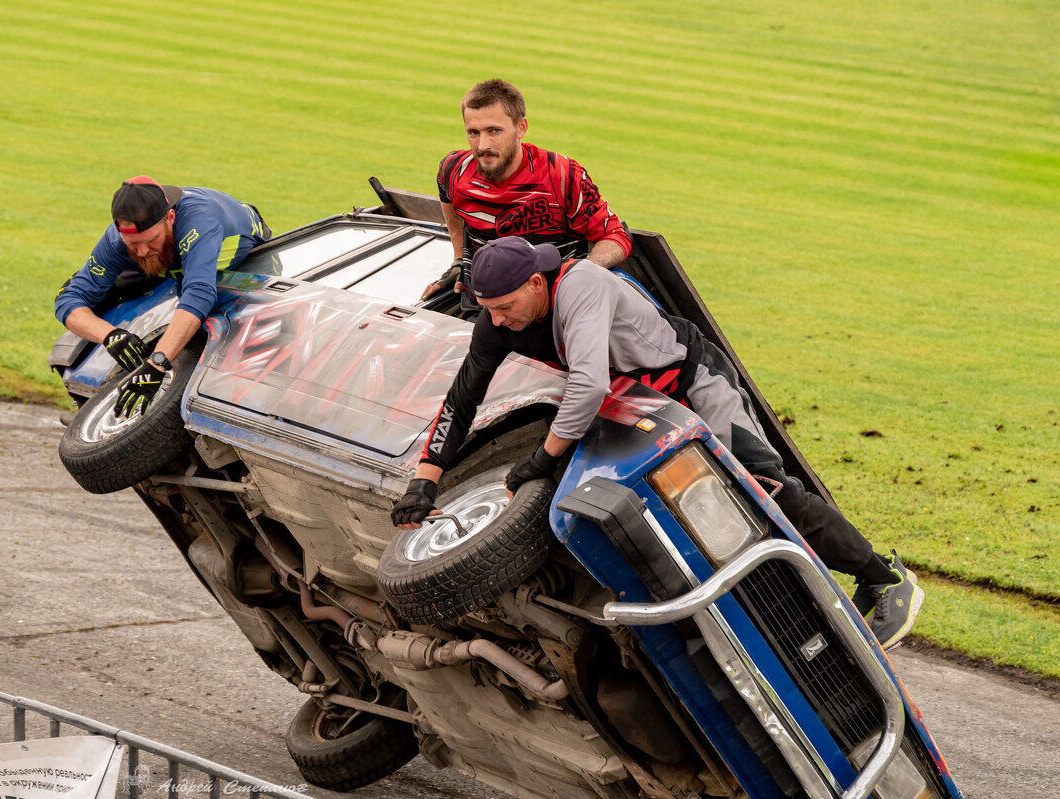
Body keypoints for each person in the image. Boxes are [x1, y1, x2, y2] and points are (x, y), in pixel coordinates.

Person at [393, 236, 925, 649]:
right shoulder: (499, 318)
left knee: (764, 491)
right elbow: (461, 400)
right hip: (641, 410)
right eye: (489, 309)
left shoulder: (581, 286)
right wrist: (424, 483)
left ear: (537, 282)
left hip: (692, 385)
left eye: (506, 305)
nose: (498, 319)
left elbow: (588, 384)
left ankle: (885, 578)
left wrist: (540, 460)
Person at [55, 176, 269, 417]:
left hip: (244, 258)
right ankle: (87, 396)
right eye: (132, 244)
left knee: (224, 320)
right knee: (94, 293)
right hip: (170, 260)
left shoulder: (200, 223)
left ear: (170, 218)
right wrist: (110, 336)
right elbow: (69, 299)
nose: (143, 252)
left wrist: (156, 364)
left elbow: (199, 294)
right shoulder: (117, 240)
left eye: (149, 240)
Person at [421, 79, 633, 311]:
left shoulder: (561, 175)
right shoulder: (452, 170)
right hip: (482, 307)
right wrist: (459, 260)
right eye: (473, 132)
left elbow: (615, 236)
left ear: (521, 128)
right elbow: (452, 213)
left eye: (495, 131)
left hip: (550, 312)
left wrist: (578, 277)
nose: (482, 145)